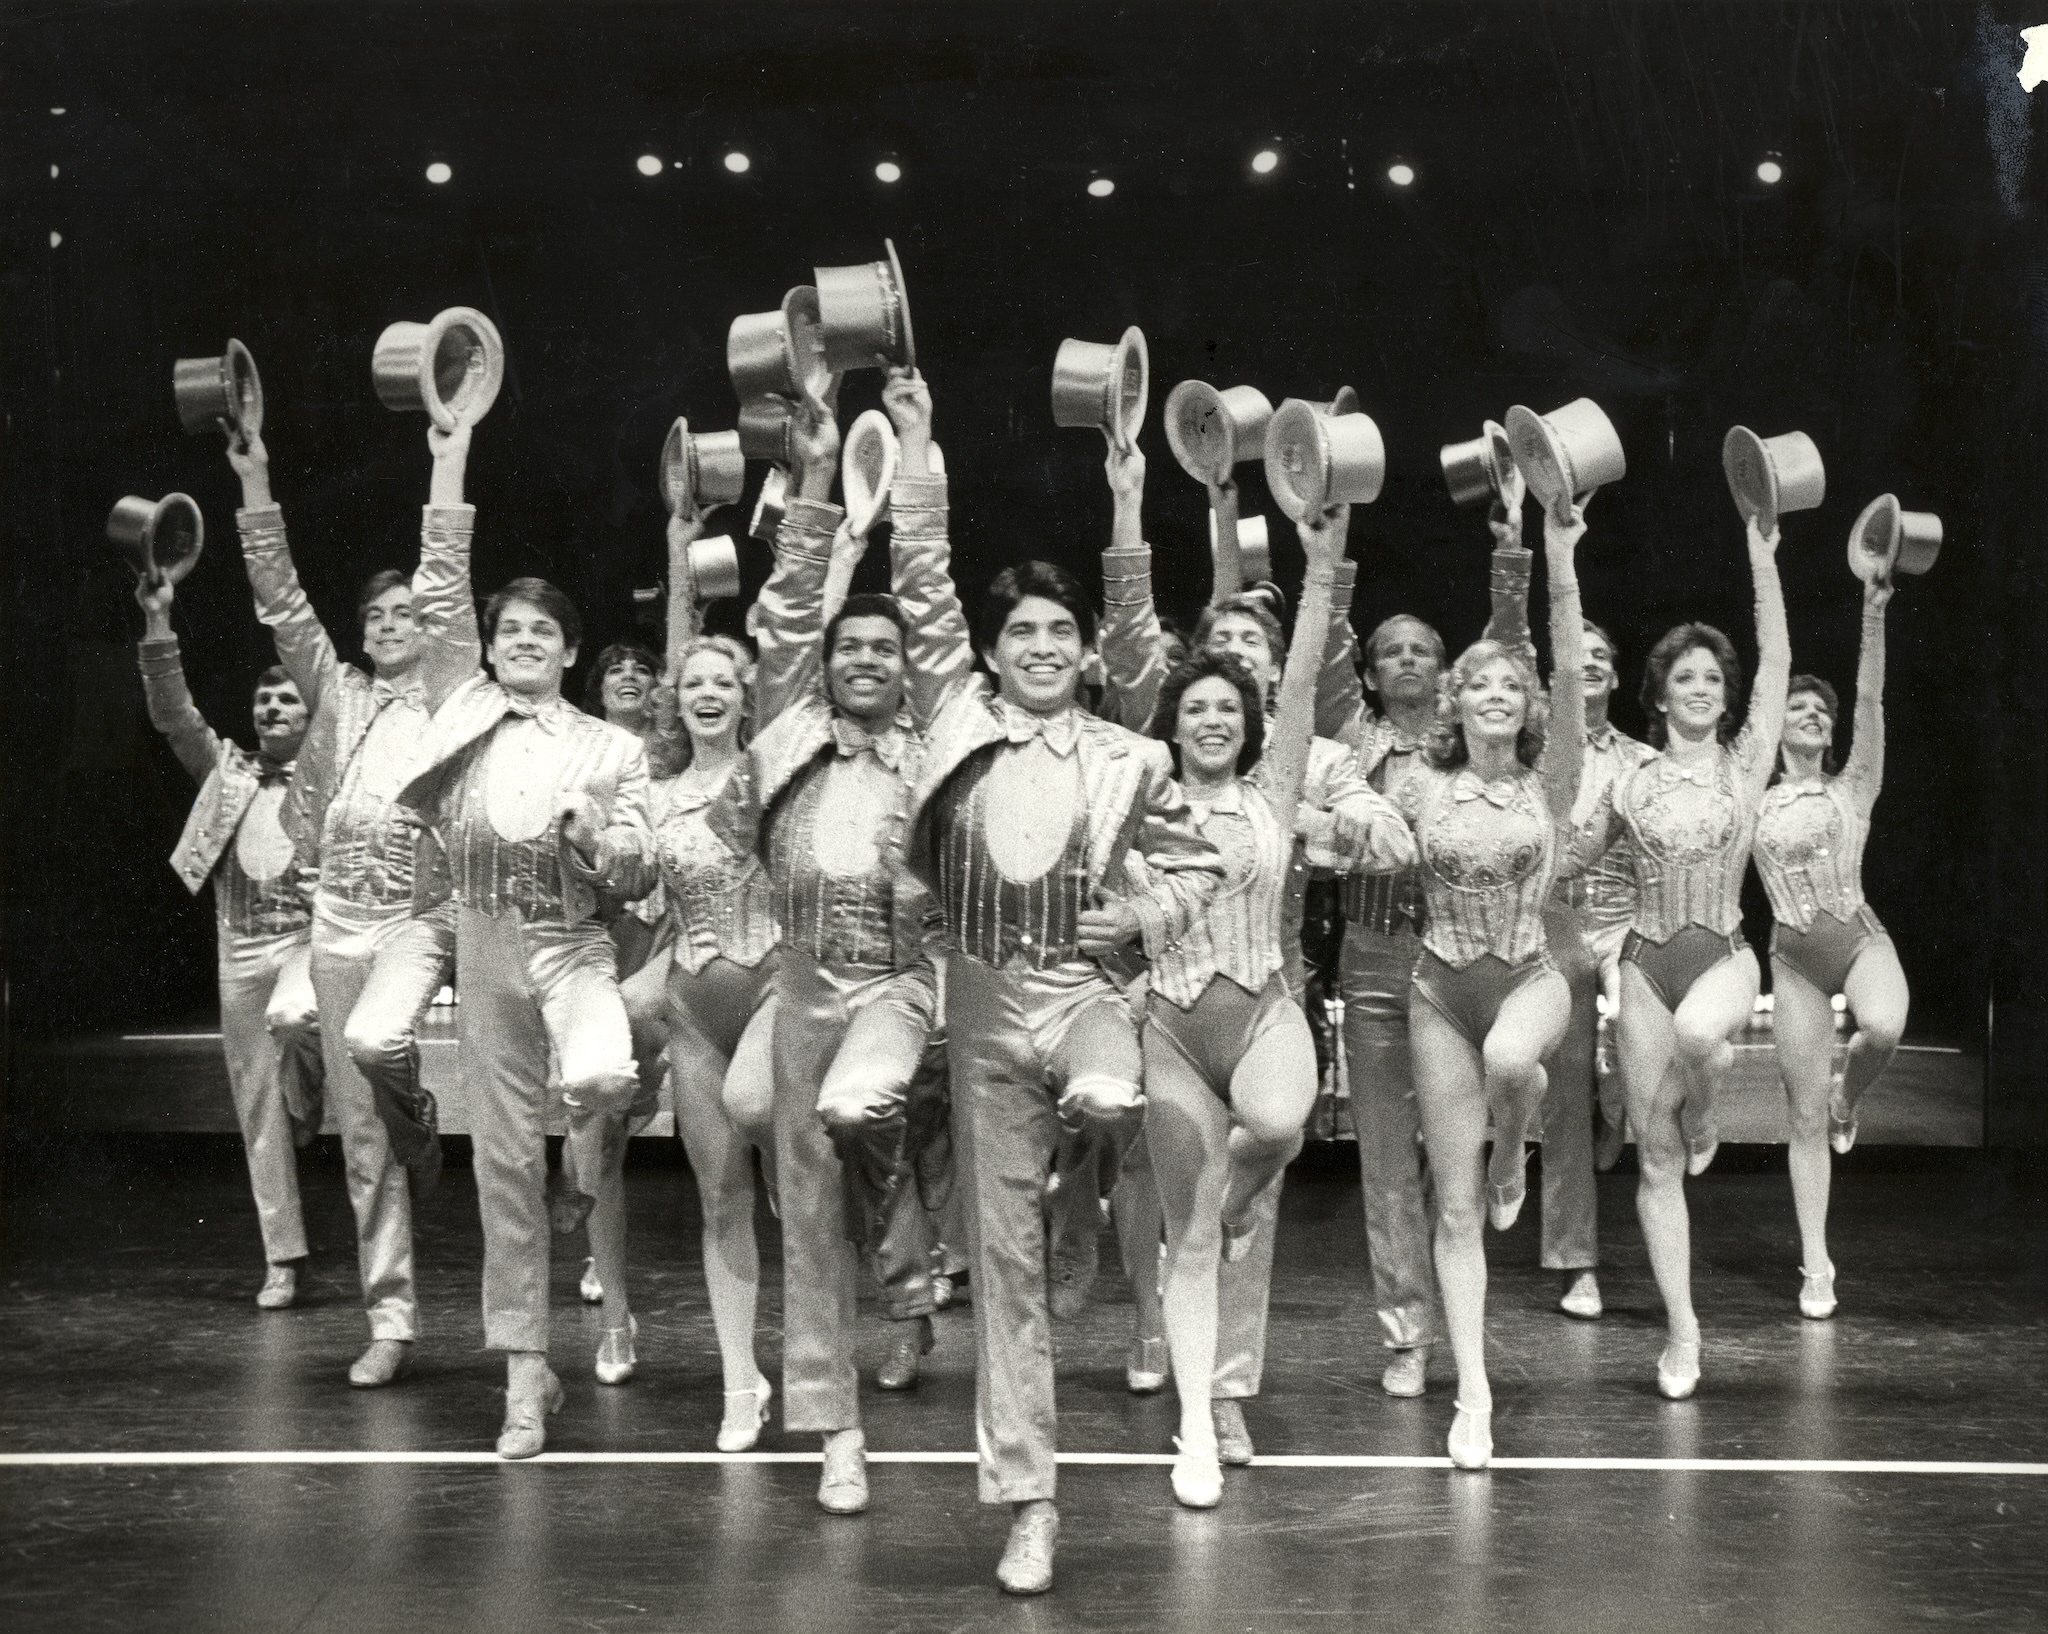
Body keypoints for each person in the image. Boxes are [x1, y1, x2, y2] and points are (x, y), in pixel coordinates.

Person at [895, 487, 1225, 1593]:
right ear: (988, 654)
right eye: (1019, 632)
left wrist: (1139, 915)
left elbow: (1196, 864)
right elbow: (922, 593)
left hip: (1084, 991)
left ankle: (1077, 1205)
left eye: (1059, 632)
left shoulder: (1133, 757)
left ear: (1087, 653)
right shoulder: (956, 730)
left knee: (1109, 1102)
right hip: (985, 1004)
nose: (1041, 646)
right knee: (999, 1267)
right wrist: (919, 469)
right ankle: (1029, 1501)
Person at [1137, 503, 1411, 1507]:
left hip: (1262, 1001)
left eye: (1226, 707)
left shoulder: (1279, 782)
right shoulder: (1141, 791)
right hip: (1167, 1018)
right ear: (1168, 722)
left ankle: (1237, 1198)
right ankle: (1197, 1422)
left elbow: (1298, 679)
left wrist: (1321, 558)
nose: (1211, 718)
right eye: (1193, 706)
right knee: (1192, 1236)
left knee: (1276, 1126)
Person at [227, 421, 473, 1388]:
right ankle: (392, 1317)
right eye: (375, 613)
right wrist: (256, 477)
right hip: (335, 922)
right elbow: (281, 600)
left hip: (420, 916)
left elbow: (447, 569)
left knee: (376, 1054)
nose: (386, 621)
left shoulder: (454, 693)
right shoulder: (335, 696)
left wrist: (444, 459)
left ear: (433, 626)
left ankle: (420, 1122)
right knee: (355, 1134)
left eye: (406, 612)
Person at [396, 569, 655, 1458]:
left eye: (544, 631)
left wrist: (595, 839)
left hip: (572, 942)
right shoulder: (459, 720)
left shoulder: (612, 751)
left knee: (599, 1075)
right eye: (509, 629)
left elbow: (638, 872)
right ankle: (524, 1376)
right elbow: (437, 592)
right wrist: (449, 454)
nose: (525, 642)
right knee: (502, 1167)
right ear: (489, 644)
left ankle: (585, 1177)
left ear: (571, 650)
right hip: (483, 943)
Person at [1396, 498, 1590, 1470]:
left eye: (1511, 686)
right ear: (1456, 702)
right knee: (1453, 1205)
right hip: (1436, 988)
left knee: (1516, 1058)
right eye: (1480, 686)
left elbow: (1557, 654)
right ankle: (1469, 1390)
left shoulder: (1549, 778)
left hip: (1526, 973)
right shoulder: (1419, 786)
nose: (1498, 695)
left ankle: (1515, 1148)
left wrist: (1554, 550)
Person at [1316, 556, 1530, 1395]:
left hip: (1453, 958)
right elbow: (1323, 649)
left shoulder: (1463, 752)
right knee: (1385, 1161)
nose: (1407, 660)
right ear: (1369, 674)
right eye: (1390, 652)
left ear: (1446, 675)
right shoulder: (1349, 738)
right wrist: (1330, 535)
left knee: (1456, 1156)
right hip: (1372, 959)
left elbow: (1510, 653)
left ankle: (1460, 1307)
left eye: (1422, 651)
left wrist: (1509, 551)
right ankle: (1406, 1332)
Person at [1594, 513, 1789, 1399]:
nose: (1703, 686)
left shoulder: (1746, 765)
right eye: (1686, 676)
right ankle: (1683, 1331)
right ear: (1660, 692)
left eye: (1715, 676)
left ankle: (1708, 1113)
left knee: (1706, 1039)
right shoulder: (1627, 774)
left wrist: (1761, 557)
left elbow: (1779, 665)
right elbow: (1578, 852)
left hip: (1725, 952)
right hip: (1642, 963)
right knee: (1655, 1156)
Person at [1483, 490, 1652, 1319]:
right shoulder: (1533, 757)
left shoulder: (1646, 762)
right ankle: (1576, 1259)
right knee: (1563, 1103)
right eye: (1571, 653)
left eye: (1599, 657)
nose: (1584, 665)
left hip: (1625, 933)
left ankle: (1618, 1104)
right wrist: (1518, 538)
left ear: (1615, 676)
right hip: (1547, 932)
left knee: (1613, 1095)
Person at [135, 575, 320, 1309]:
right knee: (255, 1110)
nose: (271, 707)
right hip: (238, 947)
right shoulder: (228, 772)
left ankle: (307, 1103)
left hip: (306, 942)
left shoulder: (333, 779)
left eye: (287, 700)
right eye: (263, 700)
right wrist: (158, 620)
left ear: (312, 717)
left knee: (297, 1020)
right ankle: (283, 1258)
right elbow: (174, 715)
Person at [1756, 570, 1908, 1319]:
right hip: (1793, 962)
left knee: (1883, 1026)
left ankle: (1852, 1095)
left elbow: (1872, 700)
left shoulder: (1855, 785)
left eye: (1822, 709)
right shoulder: (1750, 798)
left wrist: (1872, 612)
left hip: (1857, 936)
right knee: (1801, 1119)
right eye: (1798, 706)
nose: (1813, 714)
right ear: (1774, 726)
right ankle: (1817, 1264)